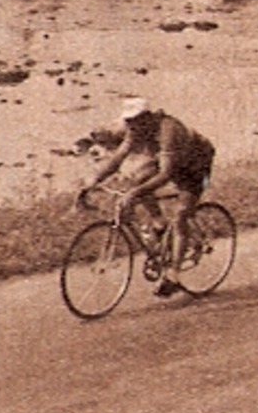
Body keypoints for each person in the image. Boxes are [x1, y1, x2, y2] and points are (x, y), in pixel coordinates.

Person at [82, 97, 215, 298]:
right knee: (139, 179)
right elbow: (118, 158)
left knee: (180, 215)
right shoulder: (136, 130)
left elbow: (166, 174)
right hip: (168, 160)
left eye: (135, 121)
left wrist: (135, 194)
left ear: (147, 118)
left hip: (195, 165)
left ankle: (173, 276)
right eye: (128, 121)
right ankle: (159, 223)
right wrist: (93, 181)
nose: (131, 126)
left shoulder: (168, 130)